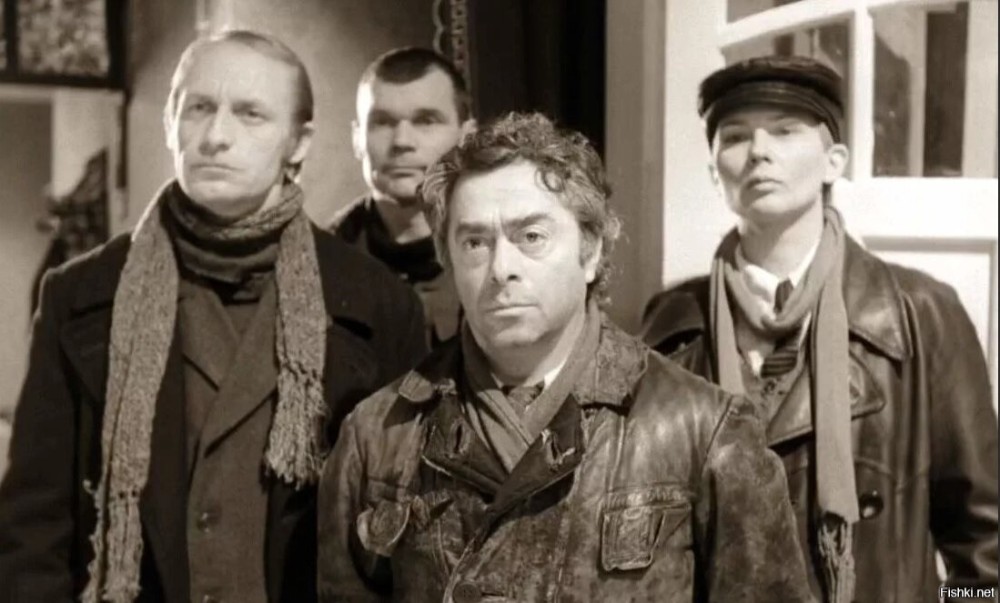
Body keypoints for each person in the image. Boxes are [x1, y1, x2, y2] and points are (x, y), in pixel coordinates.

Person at [0, 30, 427, 603]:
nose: (216, 136)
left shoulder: (377, 304)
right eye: (198, 108)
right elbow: (33, 527)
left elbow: (403, 529)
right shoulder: (81, 296)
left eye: (250, 114)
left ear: (298, 143)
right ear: (170, 123)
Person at [316, 112, 812, 602]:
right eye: (475, 242)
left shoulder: (701, 429)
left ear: (590, 252)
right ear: (448, 259)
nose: (501, 268)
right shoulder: (379, 434)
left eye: (531, 237)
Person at [641, 55, 999, 602]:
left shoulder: (920, 312)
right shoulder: (672, 326)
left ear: (834, 162)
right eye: (735, 136)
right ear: (716, 173)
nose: (759, 151)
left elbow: (984, 544)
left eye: (785, 131)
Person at [329, 47, 476, 347]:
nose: (402, 141)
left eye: (426, 120)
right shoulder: (320, 261)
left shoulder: (505, 255)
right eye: (383, 122)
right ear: (357, 139)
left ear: (466, 138)